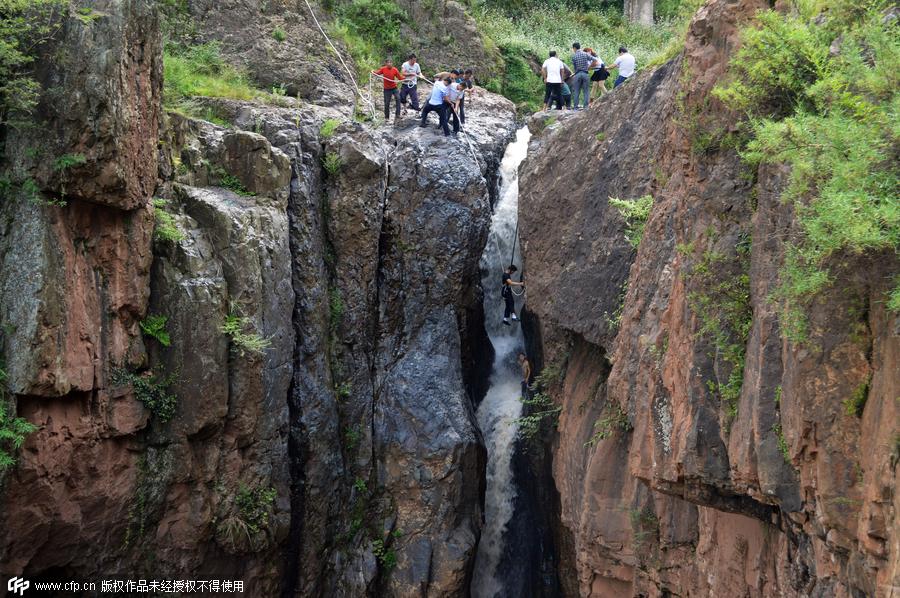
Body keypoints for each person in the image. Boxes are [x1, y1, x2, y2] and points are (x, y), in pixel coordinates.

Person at [570, 42, 599, 110]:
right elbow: (595, 59)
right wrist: (589, 67)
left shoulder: (574, 56)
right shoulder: (585, 54)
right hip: (585, 74)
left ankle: (575, 108)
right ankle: (585, 107)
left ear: (574, 48)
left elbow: (575, 67)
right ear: (579, 47)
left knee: (576, 91)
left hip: (577, 74)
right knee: (586, 91)